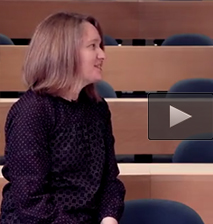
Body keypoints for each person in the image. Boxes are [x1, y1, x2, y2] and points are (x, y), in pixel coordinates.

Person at [0, 12, 126, 224]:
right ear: (64, 53)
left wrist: (108, 219)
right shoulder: (32, 113)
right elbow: (32, 203)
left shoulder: (97, 108)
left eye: (100, 46)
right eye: (92, 46)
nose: (102, 54)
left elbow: (109, 182)